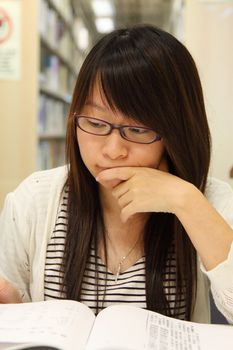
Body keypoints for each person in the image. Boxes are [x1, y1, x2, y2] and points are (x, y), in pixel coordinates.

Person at [0, 24, 233, 324]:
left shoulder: (210, 202)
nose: (113, 150)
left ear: (177, 132)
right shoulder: (35, 201)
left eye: (136, 130)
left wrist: (185, 200)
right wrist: (18, 309)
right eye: (96, 124)